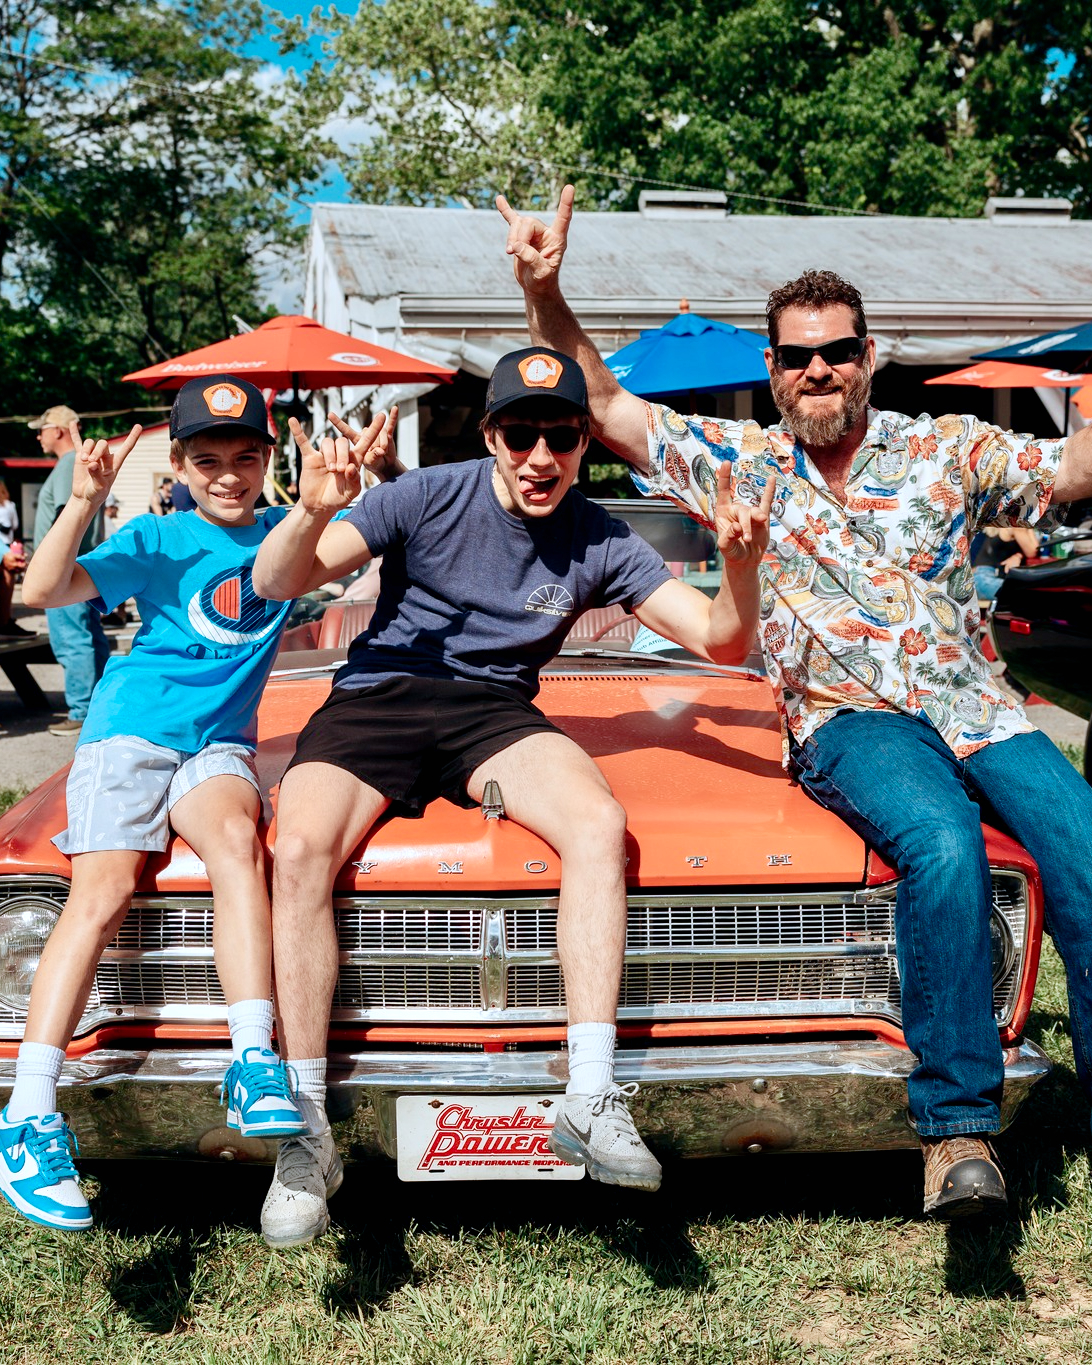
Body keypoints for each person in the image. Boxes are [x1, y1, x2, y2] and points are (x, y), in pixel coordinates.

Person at [497, 186, 1092, 1219]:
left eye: (838, 351)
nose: (819, 370)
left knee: (1085, 851)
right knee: (943, 847)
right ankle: (956, 1135)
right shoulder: (738, 461)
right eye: (796, 356)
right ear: (772, 372)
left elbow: (1072, 473)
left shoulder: (951, 447)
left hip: (979, 705)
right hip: (849, 719)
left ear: (870, 357)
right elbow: (599, 402)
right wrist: (546, 290)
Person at [251, 347, 773, 1248]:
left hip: (493, 711)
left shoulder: (601, 537)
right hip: (379, 697)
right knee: (296, 849)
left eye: (562, 436)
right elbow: (276, 581)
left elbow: (721, 641)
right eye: (521, 433)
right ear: (491, 434)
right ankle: (306, 1131)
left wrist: (741, 566)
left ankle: (591, 1093)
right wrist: (310, 511)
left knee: (598, 823)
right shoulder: (425, 494)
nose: (542, 456)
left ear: (583, 445)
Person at [0, 377, 391, 1232]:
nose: (227, 474)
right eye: (206, 459)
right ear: (176, 465)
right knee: (100, 892)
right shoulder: (158, 536)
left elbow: (363, 552)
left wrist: (355, 487)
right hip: (131, 731)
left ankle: (253, 1056)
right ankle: (29, 1112)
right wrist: (87, 498)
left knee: (238, 847)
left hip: (217, 747)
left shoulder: (287, 541)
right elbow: (43, 591)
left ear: (269, 459)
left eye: (245, 456)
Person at [29, 405, 111, 735]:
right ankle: (97, 704)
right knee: (88, 636)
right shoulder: (70, 465)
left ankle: (82, 711)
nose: (38, 435)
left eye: (42, 428)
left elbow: (69, 517)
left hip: (64, 572)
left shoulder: (67, 466)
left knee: (72, 640)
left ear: (60, 431)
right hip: (76, 569)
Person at [0, 478, 30, 636]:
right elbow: (15, 525)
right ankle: (5, 620)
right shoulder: (9, 505)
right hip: (7, 545)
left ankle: (4, 621)